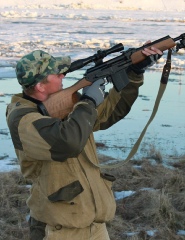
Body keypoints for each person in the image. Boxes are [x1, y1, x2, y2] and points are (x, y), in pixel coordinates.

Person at [6, 44, 162, 240]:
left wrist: (134, 72)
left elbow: (109, 113)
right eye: (57, 74)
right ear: (40, 86)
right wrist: (88, 102)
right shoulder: (23, 120)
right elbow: (68, 142)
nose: (63, 76)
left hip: (93, 223)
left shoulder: (65, 102)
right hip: (58, 229)